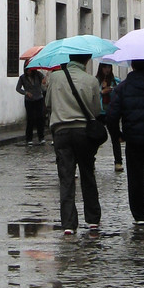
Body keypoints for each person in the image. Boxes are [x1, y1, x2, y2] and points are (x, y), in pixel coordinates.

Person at [45, 54, 103, 234]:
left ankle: (69, 224)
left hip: (61, 131)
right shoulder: (91, 80)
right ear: (86, 60)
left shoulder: (54, 77)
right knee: (87, 174)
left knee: (66, 177)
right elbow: (96, 110)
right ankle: (92, 219)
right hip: (84, 132)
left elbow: (48, 103)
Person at [106, 59, 144, 226]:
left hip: (133, 138)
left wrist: (117, 134)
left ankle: (139, 214)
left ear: (132, 66)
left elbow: (111, 116)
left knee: (135, 175)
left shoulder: (123, 88)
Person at [96, 62, 123, 171]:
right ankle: (91, 160)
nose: (107, 69)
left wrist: (112, 90)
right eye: (105, 67)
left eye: (109, 67)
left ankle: (118, 162)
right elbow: (93, 95)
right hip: (99, 112)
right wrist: (101, 91)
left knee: (115, 138)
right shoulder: (96, 81)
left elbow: (119, 96)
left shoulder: (115, 81)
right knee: (96, 137)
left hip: (111, 112)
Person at [16, 66, 46, 144]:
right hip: (29, 100)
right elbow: (18, 88)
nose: (29, 72)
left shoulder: (38, 75)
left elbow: (44, 80)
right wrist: (26, 93)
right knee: (30, 119)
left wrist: (44, 80)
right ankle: (29, 138)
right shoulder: (22, 78)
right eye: (27, 70)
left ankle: (41, 137)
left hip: (39, 98)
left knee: (40, 118)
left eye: (30, 70)